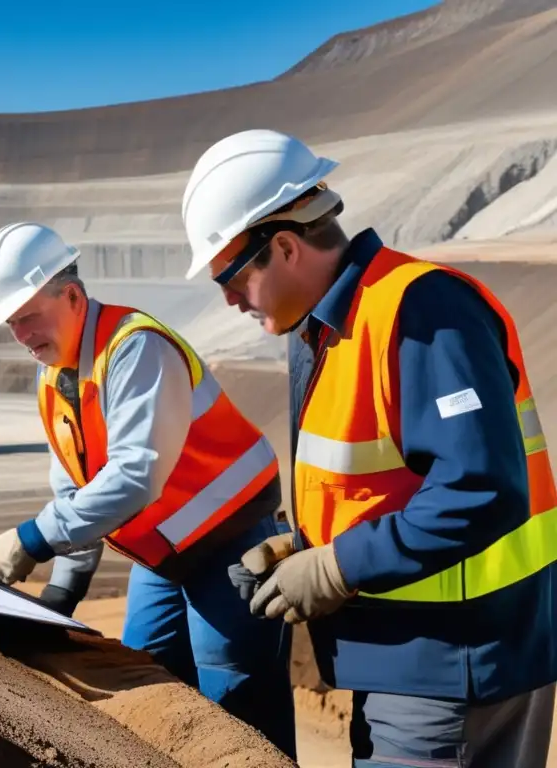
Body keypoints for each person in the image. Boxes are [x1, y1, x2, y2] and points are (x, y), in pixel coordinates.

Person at [180, 127, 557, 766]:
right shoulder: (327, 328)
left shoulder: (422, 310)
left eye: (230, 277)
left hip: (457, 663)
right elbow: (380, 479)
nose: (226, 299)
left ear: (285, 246)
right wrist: (301, 545)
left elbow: (482, 486)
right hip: (403, 659)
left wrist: (336, 567)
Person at [0, 221, 297, 758]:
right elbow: (80, 487)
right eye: (10, 323)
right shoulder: (57, 374)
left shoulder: (135, 349)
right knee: (147, 692)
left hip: (230, 541)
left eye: (28, 316)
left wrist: (31, 540)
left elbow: (133, 478)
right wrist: (63, 593)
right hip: (162, 554)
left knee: (238, 705)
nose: (21, 336)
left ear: (71, 295)